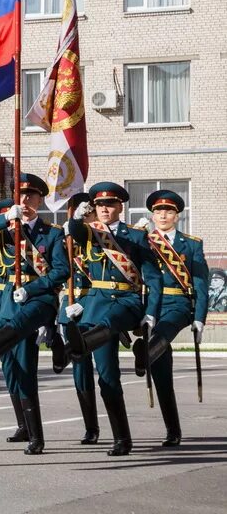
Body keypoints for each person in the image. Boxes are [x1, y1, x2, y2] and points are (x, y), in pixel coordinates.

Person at [0, 174, 69, 455]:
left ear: (40, 200)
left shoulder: (52, 233)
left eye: (31, 197)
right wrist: (8, 216)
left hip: (36, 299)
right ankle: (23, 426)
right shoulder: (2, 231)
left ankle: (37, 436)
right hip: (5, 302)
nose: (25, 202)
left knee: (25, 368)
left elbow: (61, 271)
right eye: (20, 197)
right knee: (11, 369)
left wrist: (35, 289)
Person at [63, 182, 162, 456]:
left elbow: (153, 279)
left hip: (126, 302)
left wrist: (151, 313)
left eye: (110, 204)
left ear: (121, 207)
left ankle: (122, 439)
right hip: (96, 306)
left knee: (109, 336)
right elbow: (74, 232)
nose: (104, 209)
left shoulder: (136, 236)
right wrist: (75, 218)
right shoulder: (91, 233)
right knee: (107, 378)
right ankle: (122, 438)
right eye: (99, 205)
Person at [131, 190, 208, 447]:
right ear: (152, 215)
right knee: (162, 374)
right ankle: (173, 431)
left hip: (178, 303)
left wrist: (199, 319)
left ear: (177, 216)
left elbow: (200, 285)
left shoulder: (191, 244)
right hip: (151, 303)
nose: (163, 215)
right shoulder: (143, 240)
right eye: (158, 211)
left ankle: (143, 356)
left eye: (169, 211)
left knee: (165, 329)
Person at [50, 193, 101, 445]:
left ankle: (64, 352)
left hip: (95, 306)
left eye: (89, 212)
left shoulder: (103, 237)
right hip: (69, 307)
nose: (86, 216)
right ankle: (90, 427)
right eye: (80, 212)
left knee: (104, 370)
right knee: (81, 372)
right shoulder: (62, 238)